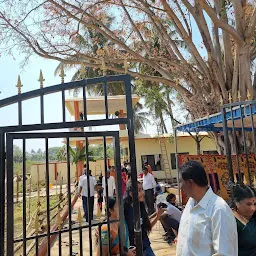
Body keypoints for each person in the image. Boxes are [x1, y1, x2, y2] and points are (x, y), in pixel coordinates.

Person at [176, 160, 238, 256]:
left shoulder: (219, 210)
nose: (180, 187)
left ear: (190, 183)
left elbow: (224, 253)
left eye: (181, 182)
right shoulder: (190, 203)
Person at [124, 181, 164, 256]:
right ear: (131, 193)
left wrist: (157, 215)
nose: (142, 193)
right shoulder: (125, 209)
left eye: (142, 189)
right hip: (133, 250)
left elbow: (147, 226)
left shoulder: (141, 206)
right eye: (139, 190)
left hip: (145, 246)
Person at [232, 184, 256, 256]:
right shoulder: (231, 220)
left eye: (255, 204)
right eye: (248, 204)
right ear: (237, 203)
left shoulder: (254, 217)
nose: (253, 208)